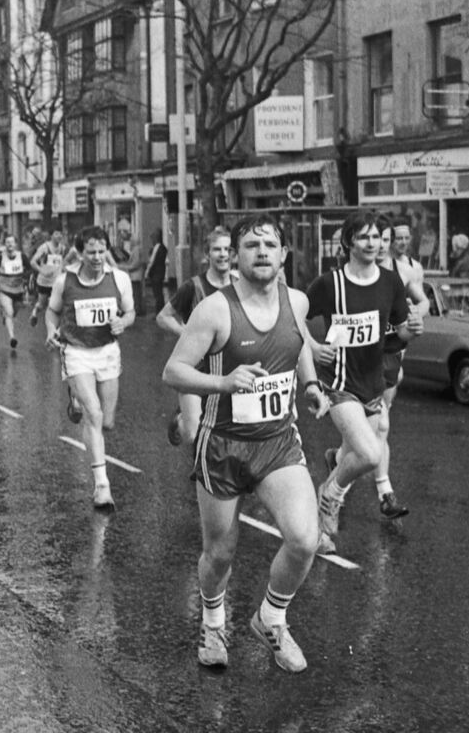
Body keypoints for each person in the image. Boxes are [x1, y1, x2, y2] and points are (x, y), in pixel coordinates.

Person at [163, 213, 329, 672]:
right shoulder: (215, 309)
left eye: (270, 244)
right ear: (235, 256)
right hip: (223, 446)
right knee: (220, 552)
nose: (261, 251)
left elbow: (297, 350)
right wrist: (225, 383)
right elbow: (173, 371)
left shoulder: (296, 300)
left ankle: (270, 618)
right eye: (251, 244)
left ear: (283, 255)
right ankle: (213, 622)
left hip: (277, 443)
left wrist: (311, 386)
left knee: (304, 539)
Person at [306, 210, 422, 555]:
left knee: (352, 455)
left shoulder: (390, 282)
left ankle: (323, 524)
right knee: (370, 455)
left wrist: (411, 331)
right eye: (364, 237)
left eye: (376, 237)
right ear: (348, 242)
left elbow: (399, 332)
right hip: (339, 383)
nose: (372, 243)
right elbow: (295, 317)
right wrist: (313, 348)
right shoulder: (330, 283)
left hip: (373, 382)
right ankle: (330, 496)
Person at [325, 215, 430, 520]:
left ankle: (340, 464)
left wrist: (411, 317)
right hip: (357, 364)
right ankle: (382, 493)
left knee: (374, 430)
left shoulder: (406, 272)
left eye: (385, 239)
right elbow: (337, 323)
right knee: (376, 429)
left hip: (390, 356)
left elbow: (423, 303)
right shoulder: (345, 278)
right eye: (376, 238)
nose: (381, 245)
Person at [45, 226, 136, 510]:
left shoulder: (119, 279)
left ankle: (77, 400)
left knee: (106, 421)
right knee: (93, 414)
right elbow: (53, 311)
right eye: (91, 252)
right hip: (77, 352)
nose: (97, 257)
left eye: (101, 251)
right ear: (80, 253)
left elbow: (130, 311)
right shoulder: (65, 281)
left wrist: (124, 322)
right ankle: (102, 485)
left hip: (107, 351)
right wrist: (50, 330)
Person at [156, 227, 236, 448]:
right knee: (193, 435)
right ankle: (184, 418)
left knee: (228, 432)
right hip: (195, 369)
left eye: (227, 249)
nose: (223, 254)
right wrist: (187, 334)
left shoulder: (241, 285)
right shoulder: (193, 286)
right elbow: (163, 317)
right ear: (207, 254)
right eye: (217, 249)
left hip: (228, 369)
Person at [0, 233, 32, 349]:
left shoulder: (22, 256)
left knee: (13, 313)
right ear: (4, 244)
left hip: (18, 289)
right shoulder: (0, 258)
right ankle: (12, 337)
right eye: (7, 242)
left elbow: (29, 269)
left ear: (15, 244)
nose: (10, 244)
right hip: (4, 289)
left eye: (12, 242)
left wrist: (26, 281)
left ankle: (6, 316)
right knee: (9, 312)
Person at [29, 227, 67, 327]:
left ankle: (52, 328)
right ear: (51, 236)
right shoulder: (44, 247)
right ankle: (34, 313)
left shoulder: (63, 248)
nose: (59, 236)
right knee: (41, 305)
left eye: (60, 234)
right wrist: (42, 271)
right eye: (56, 234)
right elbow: (33, 262)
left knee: (53, 306)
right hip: (44, 282)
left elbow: (63, 263)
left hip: (57, 282)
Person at [146, 229, 169, 314]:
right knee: (158, 294)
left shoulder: (158, 248)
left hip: (157, 274)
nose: (152, 240)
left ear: (157, 238)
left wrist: (147, 273)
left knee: (158, 294)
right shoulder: (161, 248)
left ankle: (159, 312)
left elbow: (152, 262)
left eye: (153, 238)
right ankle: (160, 311)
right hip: (159, 274)